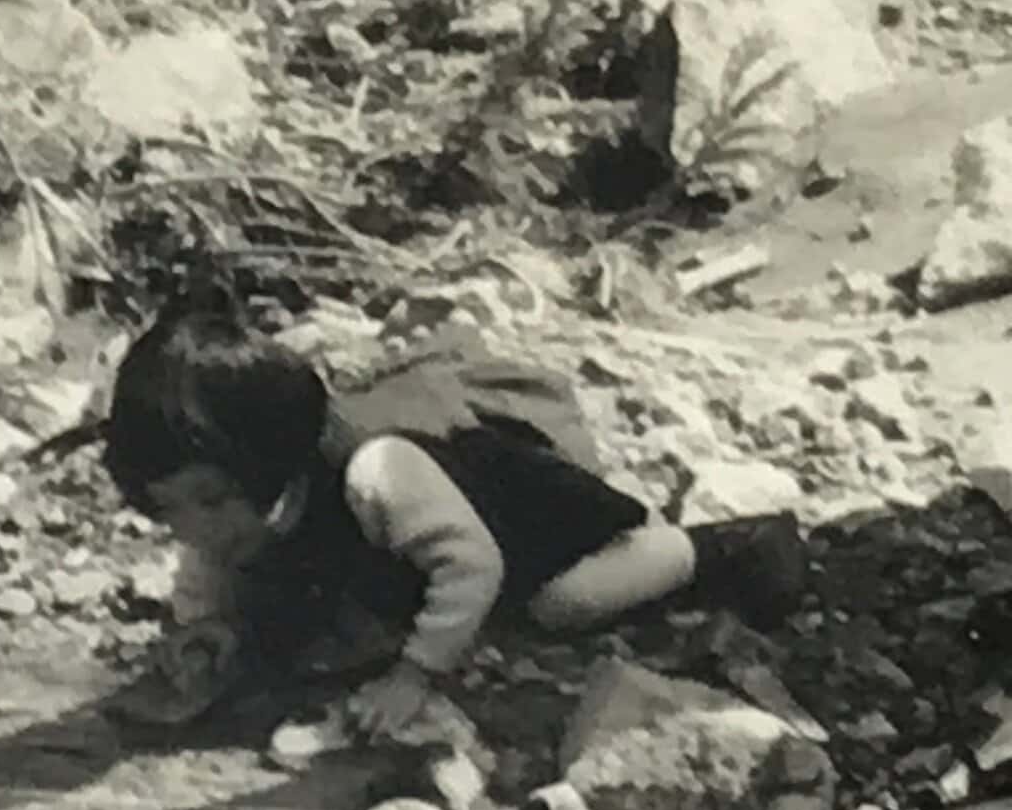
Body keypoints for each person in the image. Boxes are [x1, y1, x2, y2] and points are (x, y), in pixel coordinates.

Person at [101, 309, 805, 738]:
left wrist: (414, 675)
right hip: (405, 540)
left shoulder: (378, 470)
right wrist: (205, 627)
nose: (195, 527)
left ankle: (720, 547)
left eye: (213, 502)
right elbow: (208, 567)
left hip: (530, 528)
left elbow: (473, 564)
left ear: (269, 462)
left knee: (558, 606)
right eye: (170, 508)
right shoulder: (228, 513)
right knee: (301, 620)